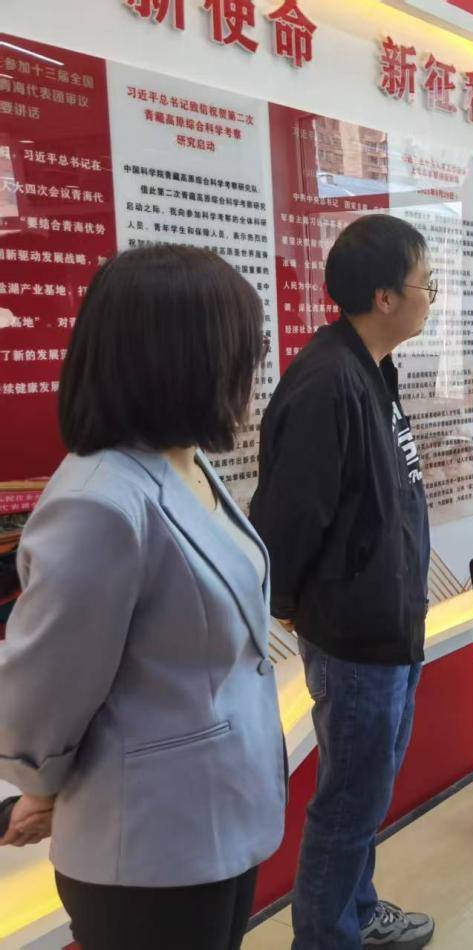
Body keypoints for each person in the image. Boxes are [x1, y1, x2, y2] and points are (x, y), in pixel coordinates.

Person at [0, 245, 284, 950]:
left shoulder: (183, 459)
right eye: (248, 348)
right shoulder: (100, 499)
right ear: (186, 358)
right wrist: (40, 786)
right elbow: (47, 683)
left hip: (219, 813)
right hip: (150, 843)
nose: (255, 365)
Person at [251, 214, 435, 950]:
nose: (431, 297)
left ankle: (356, 911)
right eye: (425, 284)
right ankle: (326, 937)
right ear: (385, 297)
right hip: (355, 637)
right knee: (347, 804)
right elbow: (287, 518)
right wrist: (296, 605)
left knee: (365, 795)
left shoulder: (369, 368)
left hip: (387, 625)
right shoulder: (328, 382)